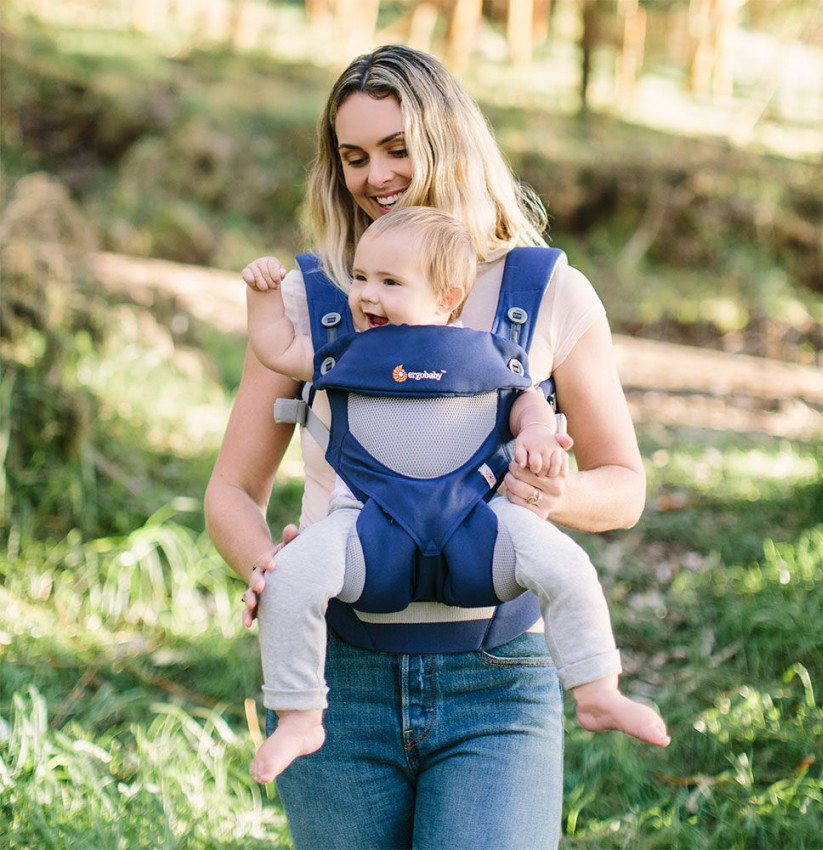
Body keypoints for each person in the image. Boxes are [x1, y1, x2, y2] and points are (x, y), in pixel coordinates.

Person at [206, 44, 664, 849]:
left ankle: (602, 689)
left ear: (450, 142)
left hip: (496, 683)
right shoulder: (315, 299)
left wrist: (551, 491)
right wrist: (268, 569)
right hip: (338, 679)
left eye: (396, 148)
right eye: (354, 157)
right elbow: (232, 492)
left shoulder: (546, 292)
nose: (375, 176)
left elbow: (624, 485)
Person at [242, 205, 669, 784]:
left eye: (390, 282)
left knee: (566, 565)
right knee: (290, 577)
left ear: (447, 298)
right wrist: (263, 296)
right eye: (360, 277)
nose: (366, 294)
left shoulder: (483, 351)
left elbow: (525, 401)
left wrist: (538, 435)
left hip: (479, 523)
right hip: (365, 522)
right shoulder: (346, 350)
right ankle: (298, 714)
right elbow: (275, 349)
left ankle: (597, 689)